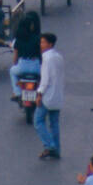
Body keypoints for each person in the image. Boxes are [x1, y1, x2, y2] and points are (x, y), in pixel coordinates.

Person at [35, 32, 64, 160]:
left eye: (43, 42)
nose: (41, 45)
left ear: (50, 44)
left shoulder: (46, 58)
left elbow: (45, 80)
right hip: (57, 95)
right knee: (54, 124)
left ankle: (49, 145)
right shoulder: (59, 57)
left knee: (38, 121)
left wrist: (39, 94)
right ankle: (56, 149)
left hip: (47, 96)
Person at [9, 8, 42, 100]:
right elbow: (42, 55)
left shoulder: (19, 39)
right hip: (37, 68)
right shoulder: (38, 38)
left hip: (22, 67)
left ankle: (17, 92)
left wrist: (15, 65)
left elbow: (15, 58)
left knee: (12, 71)